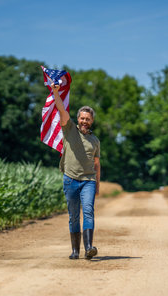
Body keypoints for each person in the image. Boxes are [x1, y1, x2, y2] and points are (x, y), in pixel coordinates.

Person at [51, 83, 100, 260]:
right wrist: (56, 92)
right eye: (82, 118)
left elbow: (97, 164)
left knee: (88, 210)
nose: (84, 121)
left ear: (92, 121)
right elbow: (61, 110)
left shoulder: (95, 140)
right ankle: (75, 250)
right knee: (73, 216)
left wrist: (98, 185)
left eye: (88, 119)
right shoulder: (69, 129)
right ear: (78, 119)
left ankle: (88, 248)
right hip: (70, 179)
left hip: (88, 181)